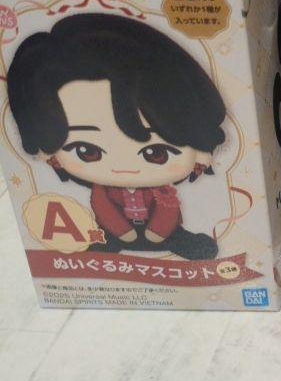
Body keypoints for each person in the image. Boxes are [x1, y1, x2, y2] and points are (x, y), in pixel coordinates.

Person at [8, 13, 227, 260]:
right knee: (103, 241)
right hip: (115, 232)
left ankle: (175, 240)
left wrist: (157, 232)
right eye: (87, 151)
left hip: (164, 232)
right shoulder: (103, 192)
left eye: (156, 153)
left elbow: (168, 210)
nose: (124, 168)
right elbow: (103, 208)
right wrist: (122, 232)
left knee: (175, 237)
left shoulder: (163, 191)